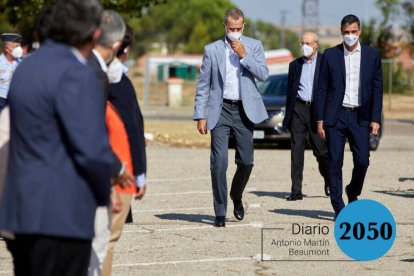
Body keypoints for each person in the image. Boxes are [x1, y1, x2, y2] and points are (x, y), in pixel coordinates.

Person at [0, 0, 115, 275]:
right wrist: (104, 194)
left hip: (22, 212)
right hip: (62, 216)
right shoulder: (77, 73)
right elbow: (90, 148)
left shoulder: (25, 68)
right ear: (94, 34)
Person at [193, 8, 269, 227]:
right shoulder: (212, 49)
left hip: (245, 110)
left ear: (243, 26)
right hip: (220, 110)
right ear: (224, 26)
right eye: (231, 28)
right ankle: (219, 211)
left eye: (239, 28)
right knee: (219, 163)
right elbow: (204, 84)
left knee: (246, 162)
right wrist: (201, 114)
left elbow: (263, 74)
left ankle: (237, 196)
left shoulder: (254, 46)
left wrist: (245, 56)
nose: (235, 32)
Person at [316, 14, 383, 218]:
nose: (350, 36)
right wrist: (320, 120)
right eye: (346, 33)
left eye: (354, 32)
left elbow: (377, 88)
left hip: (360, 116)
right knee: (335, 161)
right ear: (341, 32)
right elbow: (321, 89)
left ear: (359, 31)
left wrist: (375, 118)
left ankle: (352, 190)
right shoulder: (330, 55)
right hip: (335, 117)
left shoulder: (372, 55)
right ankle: (339, 207)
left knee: (362, 160)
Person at [85, 10, 133, 276]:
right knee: (95, 252)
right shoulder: (95, 74)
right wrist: (115, 171)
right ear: (116, 45)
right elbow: (90, 131)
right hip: (86, 180)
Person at [283, 32, 329, 201]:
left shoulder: (326, 62)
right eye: (302, 43)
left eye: (308, 43)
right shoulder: (294, 65)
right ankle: (296, 191)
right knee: (296, 152)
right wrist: (287, 118)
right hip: (298, 109)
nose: (304, 46)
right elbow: (290, 93)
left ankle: (329, 180)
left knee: (321, 151)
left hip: (318, 111)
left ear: (316, 45)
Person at [0, 32, 23, 112]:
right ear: (7, 49)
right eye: (16, 46)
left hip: (16, 101)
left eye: (20, 46)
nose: (19, 49)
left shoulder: (22, 63)